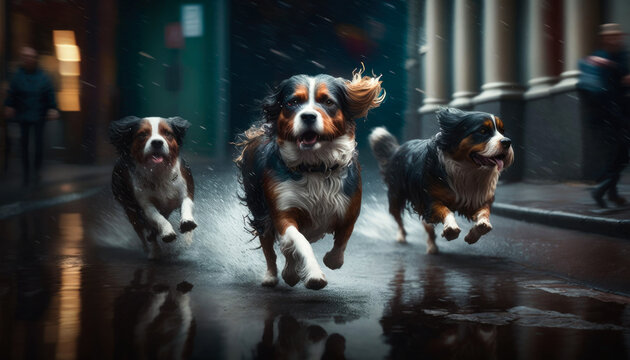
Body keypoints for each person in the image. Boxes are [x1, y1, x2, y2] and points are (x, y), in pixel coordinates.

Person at [580, 24, 630, 208]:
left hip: (618, 114)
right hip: (607, 117)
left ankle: (610, 192)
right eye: (611, 36)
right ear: (604, 38)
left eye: (618, 35)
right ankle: (601, 189)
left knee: (618, 156)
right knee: (618, 155)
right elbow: (600, 90)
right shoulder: (598, 60)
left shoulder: (620, 56)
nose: (615, 39)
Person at [3, 46, 59, 185]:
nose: (28, 59)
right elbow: (12, 93)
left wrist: (52, 108)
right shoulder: (17, 76)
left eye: (30, 56)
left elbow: (49, 93)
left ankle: (36, 170)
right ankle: (26, 171)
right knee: (24, 144)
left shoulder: (43, 76)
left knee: (38, 144)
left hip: (38, 114)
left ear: (35, 59)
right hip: (23, 114)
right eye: (25, 56)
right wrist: (9, 105)